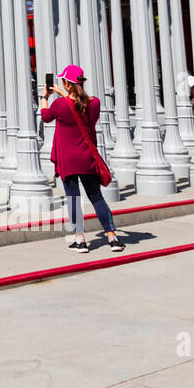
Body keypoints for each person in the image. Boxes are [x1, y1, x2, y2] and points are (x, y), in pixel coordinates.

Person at [39, 64, 122, 253]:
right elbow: (83, 112)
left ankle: (80, 240)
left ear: (66, 84)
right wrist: (64, 93)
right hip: (87, 158)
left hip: (68, 159)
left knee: (73, 199)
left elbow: (45, 116)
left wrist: (45, 97)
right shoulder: (95, 103)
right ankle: (112, 237)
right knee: (96, 197)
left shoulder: (59, 104)